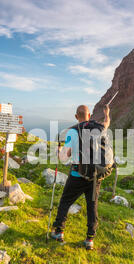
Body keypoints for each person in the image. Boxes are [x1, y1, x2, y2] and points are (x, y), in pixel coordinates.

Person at [50, 104, 110, 250]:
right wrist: (107, 113)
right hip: (95, 176)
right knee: (92, 206)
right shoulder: (99, 127)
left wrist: (58, 150)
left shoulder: (73, 131)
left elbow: (64, 158)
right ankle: (90, 239)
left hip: (77, 174)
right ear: (89, 116)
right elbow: (107, 123)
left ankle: (59, 232)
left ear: (76, 116)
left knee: (65, 201)